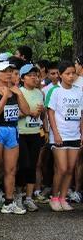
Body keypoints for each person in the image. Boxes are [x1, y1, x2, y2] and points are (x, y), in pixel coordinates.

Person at [0, 61, 31, 214]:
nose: (9, 73)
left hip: (12, 130)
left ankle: (9, 201)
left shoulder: (15, 90)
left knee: (11, 169)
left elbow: (26, 110)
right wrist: (4, 95)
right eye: (5, 71)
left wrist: (19, 93)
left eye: (10, 70)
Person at [47, 61, 83, 212]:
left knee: (70, 169)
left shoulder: (79, 91)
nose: (71, 76)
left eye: (73, 73)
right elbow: (51, 113)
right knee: (61, 168)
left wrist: (82, 133)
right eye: (67, 73)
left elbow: (81, 114)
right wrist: (55, 133)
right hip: (60, 134)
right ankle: (54, 197)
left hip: (74, 133)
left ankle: (63, 197)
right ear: (61, 75)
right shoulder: (55, 91)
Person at [15, 64, 44, 212]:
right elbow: (13, 113)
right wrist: (28, 112)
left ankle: (28, 197)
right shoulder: (18, 92)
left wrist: (40, 113)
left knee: (32, 165)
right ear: (22, 78)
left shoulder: (40, 93)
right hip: (21, 133)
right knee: (24, 164)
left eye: (36, 75)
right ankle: (18, 195)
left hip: (35, 133)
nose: (34, 77)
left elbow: (41, 114)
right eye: (30, 75)